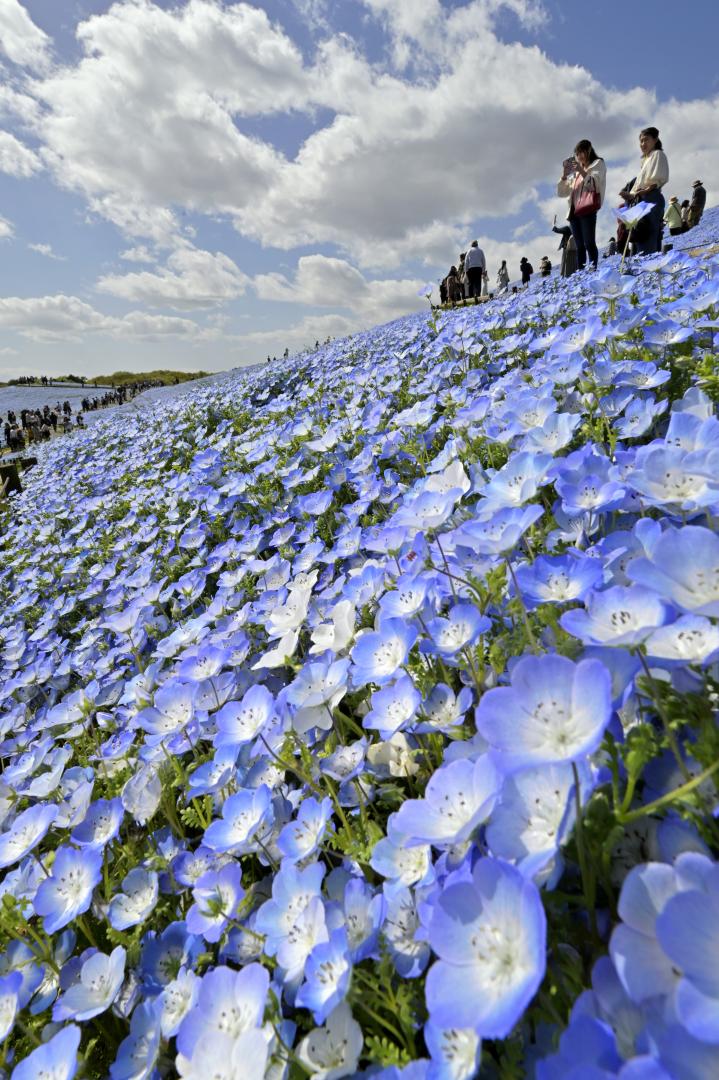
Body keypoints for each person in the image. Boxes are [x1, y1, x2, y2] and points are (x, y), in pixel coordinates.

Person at [557, 139, 607, 270]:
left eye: (581, 153)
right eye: (577, 154)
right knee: (579, 246)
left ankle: (593, 269)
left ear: (589, 150)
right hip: (574, 212)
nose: (579, 157)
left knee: (589, 242)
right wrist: (564, 176)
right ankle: (580, 274)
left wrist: (580, 170)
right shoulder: (575, 174)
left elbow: (594, 184)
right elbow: (563, 193)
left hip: (587, 208)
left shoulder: (598, 163)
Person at [622, 126, 669, 256]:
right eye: (641, 141)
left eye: (646, 140)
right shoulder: (646, 159)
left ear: (655, 140)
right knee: (640, 236)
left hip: (650, 197)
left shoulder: (658, 154)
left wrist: (645, 190)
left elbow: (658, 178)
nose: (643, 144)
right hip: (642, 199)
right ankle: (641, 270)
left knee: (646, 235)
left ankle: (645, 269)